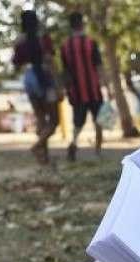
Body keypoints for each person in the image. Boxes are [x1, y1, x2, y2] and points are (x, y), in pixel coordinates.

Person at [12, 9, 59, 165]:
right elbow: (50, 60)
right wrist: (58, 84)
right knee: (53, 121)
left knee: (41, 120)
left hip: (29, 78)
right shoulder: (43, 38)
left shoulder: (19, 41)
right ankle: (37, 146)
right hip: (44, 77)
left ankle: (43, 158)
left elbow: (15, 64)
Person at [60, 12, 107, 161]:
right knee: (99, 121)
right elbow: (99, 67)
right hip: (93, 90)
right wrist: (108, 87)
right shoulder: (91, 43)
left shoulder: (65, 46)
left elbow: (65, 72)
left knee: (78, 123)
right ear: (82, 23)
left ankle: (73, 144)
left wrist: (66, 90)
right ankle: (98, 152)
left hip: (76, 91)